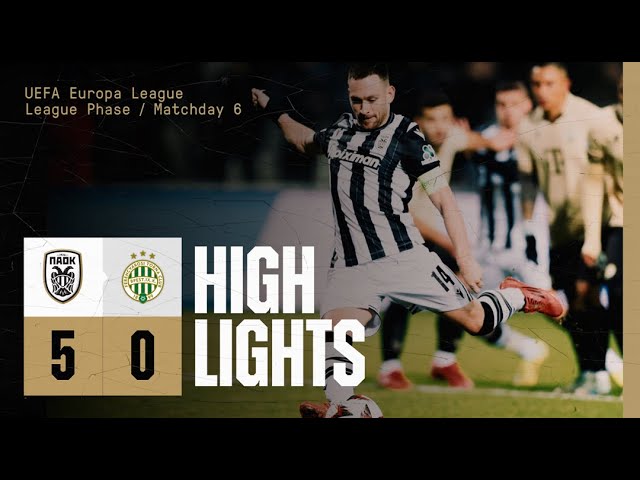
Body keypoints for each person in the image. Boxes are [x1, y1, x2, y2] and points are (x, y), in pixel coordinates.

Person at [251, 63, 566, 418]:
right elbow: (303, 139)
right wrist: (275, 110)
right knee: (335, 329)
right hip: (351, 264)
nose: (364, 109)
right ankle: (342, 404)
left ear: (390, 94)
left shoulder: (408, 139)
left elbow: (445, 201)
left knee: (476, 320)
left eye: (372, 99)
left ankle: (520, 295)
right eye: (356, 100)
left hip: (405, 259)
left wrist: (465, 260)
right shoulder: (340, 131)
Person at [378, 84, 551, 392]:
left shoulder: (451, 137)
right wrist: (453, 245)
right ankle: (390, 368)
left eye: (445, 119)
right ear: (418, 122)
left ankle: (444, 360)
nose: (439, 126)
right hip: (398, 233)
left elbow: (480, 140)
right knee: (400, 296)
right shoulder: (402, 152)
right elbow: (408, 216)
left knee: (461, 289)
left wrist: (501, 138)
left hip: (431, 238)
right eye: (432, 119)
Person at [516, 62, 622, 395]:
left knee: (588, 294)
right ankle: (589, 372)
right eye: (537, 84)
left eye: (549, 83)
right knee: (570, 303)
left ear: (566, 83)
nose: (542, 91)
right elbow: (528, 181)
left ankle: (600, 372)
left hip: (597, 225)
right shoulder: (528, 126)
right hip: (559, 229)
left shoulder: (591, 117)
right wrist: (529, 227)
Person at [580, 77, 623, 388]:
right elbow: (594, 181)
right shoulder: (602, 125)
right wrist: (592, 238)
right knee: (618, 296)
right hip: (622, 221)